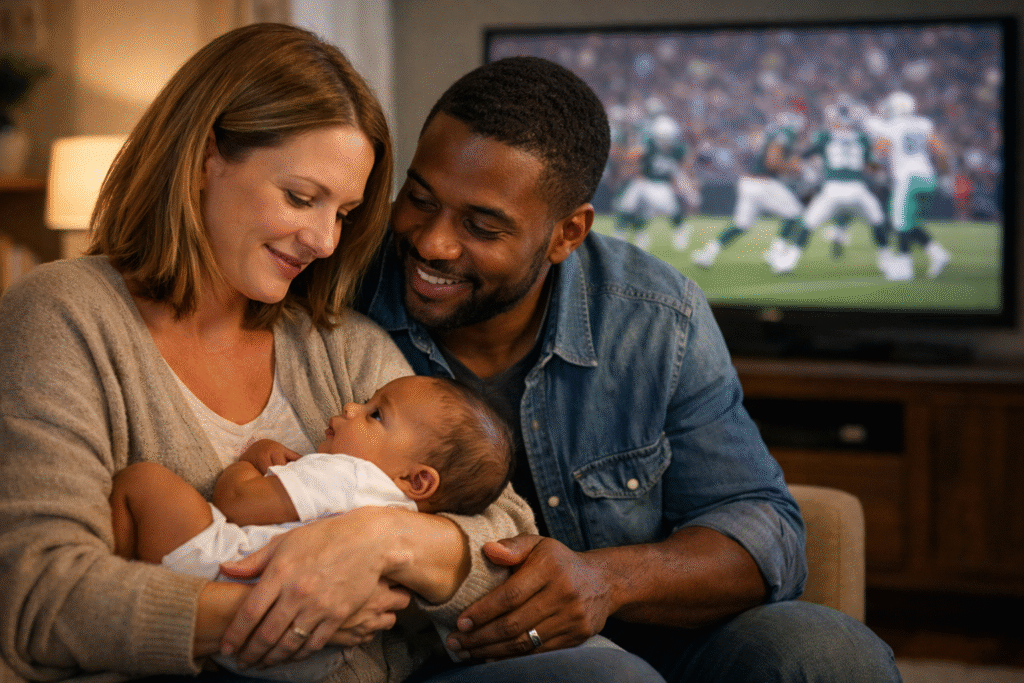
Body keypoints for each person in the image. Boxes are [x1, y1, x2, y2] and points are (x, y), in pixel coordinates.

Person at [0, 23, 538, 683]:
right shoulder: (63, 314)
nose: (324, 240)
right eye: (301, 197)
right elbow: (41, 593)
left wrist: (382, 540)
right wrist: (285, 609)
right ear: (204, 156)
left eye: (343, 212)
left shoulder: (341, 343)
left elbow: (509, 534)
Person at [357, 55, 902, 682]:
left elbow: (763, 528)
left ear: (568, 233)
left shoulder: (656, 317)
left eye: (482, 226)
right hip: (434, 653)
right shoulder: (345, 294)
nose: (431, 243)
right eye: (419, 198)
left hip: (642, 634)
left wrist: (606, 581)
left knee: (832, 655)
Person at [110, 374, 514, 682]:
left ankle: (123, 588)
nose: (352, 406)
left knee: (142, 483)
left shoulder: (352, 475)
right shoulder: (410, 515)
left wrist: (246, 463)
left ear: (418, 480)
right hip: (321, 653)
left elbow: (239, 504)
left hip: (233, 582)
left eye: (376, 414)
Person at [764, 96, 891, 275]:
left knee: (807, 224)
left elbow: (804, 155)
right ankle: (887, 261)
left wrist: (793, 164)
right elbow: (873, 165)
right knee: (877, 221)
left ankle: (788, 261)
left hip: (833, 189)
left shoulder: (825, 137)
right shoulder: (862, 138)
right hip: (858, 190)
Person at [690, 100, 808, 269]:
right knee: (795, 214)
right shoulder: (785, 133)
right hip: (762, 183)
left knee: (741, 225)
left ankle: (707, 253)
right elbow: (773, 162)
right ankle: (775, 252)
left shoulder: (772, 132)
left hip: (748, 182)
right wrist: (794, 169)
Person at [862, 90, 952, 281]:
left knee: (900, 221)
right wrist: (944, 175)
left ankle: (905, 267)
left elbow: (878, 153)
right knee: (908, 222)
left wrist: (872, 162)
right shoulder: (924, 124)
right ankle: (938, 254)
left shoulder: (892, 126)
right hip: (928, 179)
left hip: (908, 180)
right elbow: (941, 153)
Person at [611, 102, 699, 252]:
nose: (664, 141)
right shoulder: (649, 144)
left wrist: (684, 182)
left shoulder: (678, 149)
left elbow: (685, 166)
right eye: (662, 137)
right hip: (644, 181)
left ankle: (680, 230)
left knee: (669, 210)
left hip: (662, 184)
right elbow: (632, 157)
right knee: (628, 203)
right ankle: (620, 233)